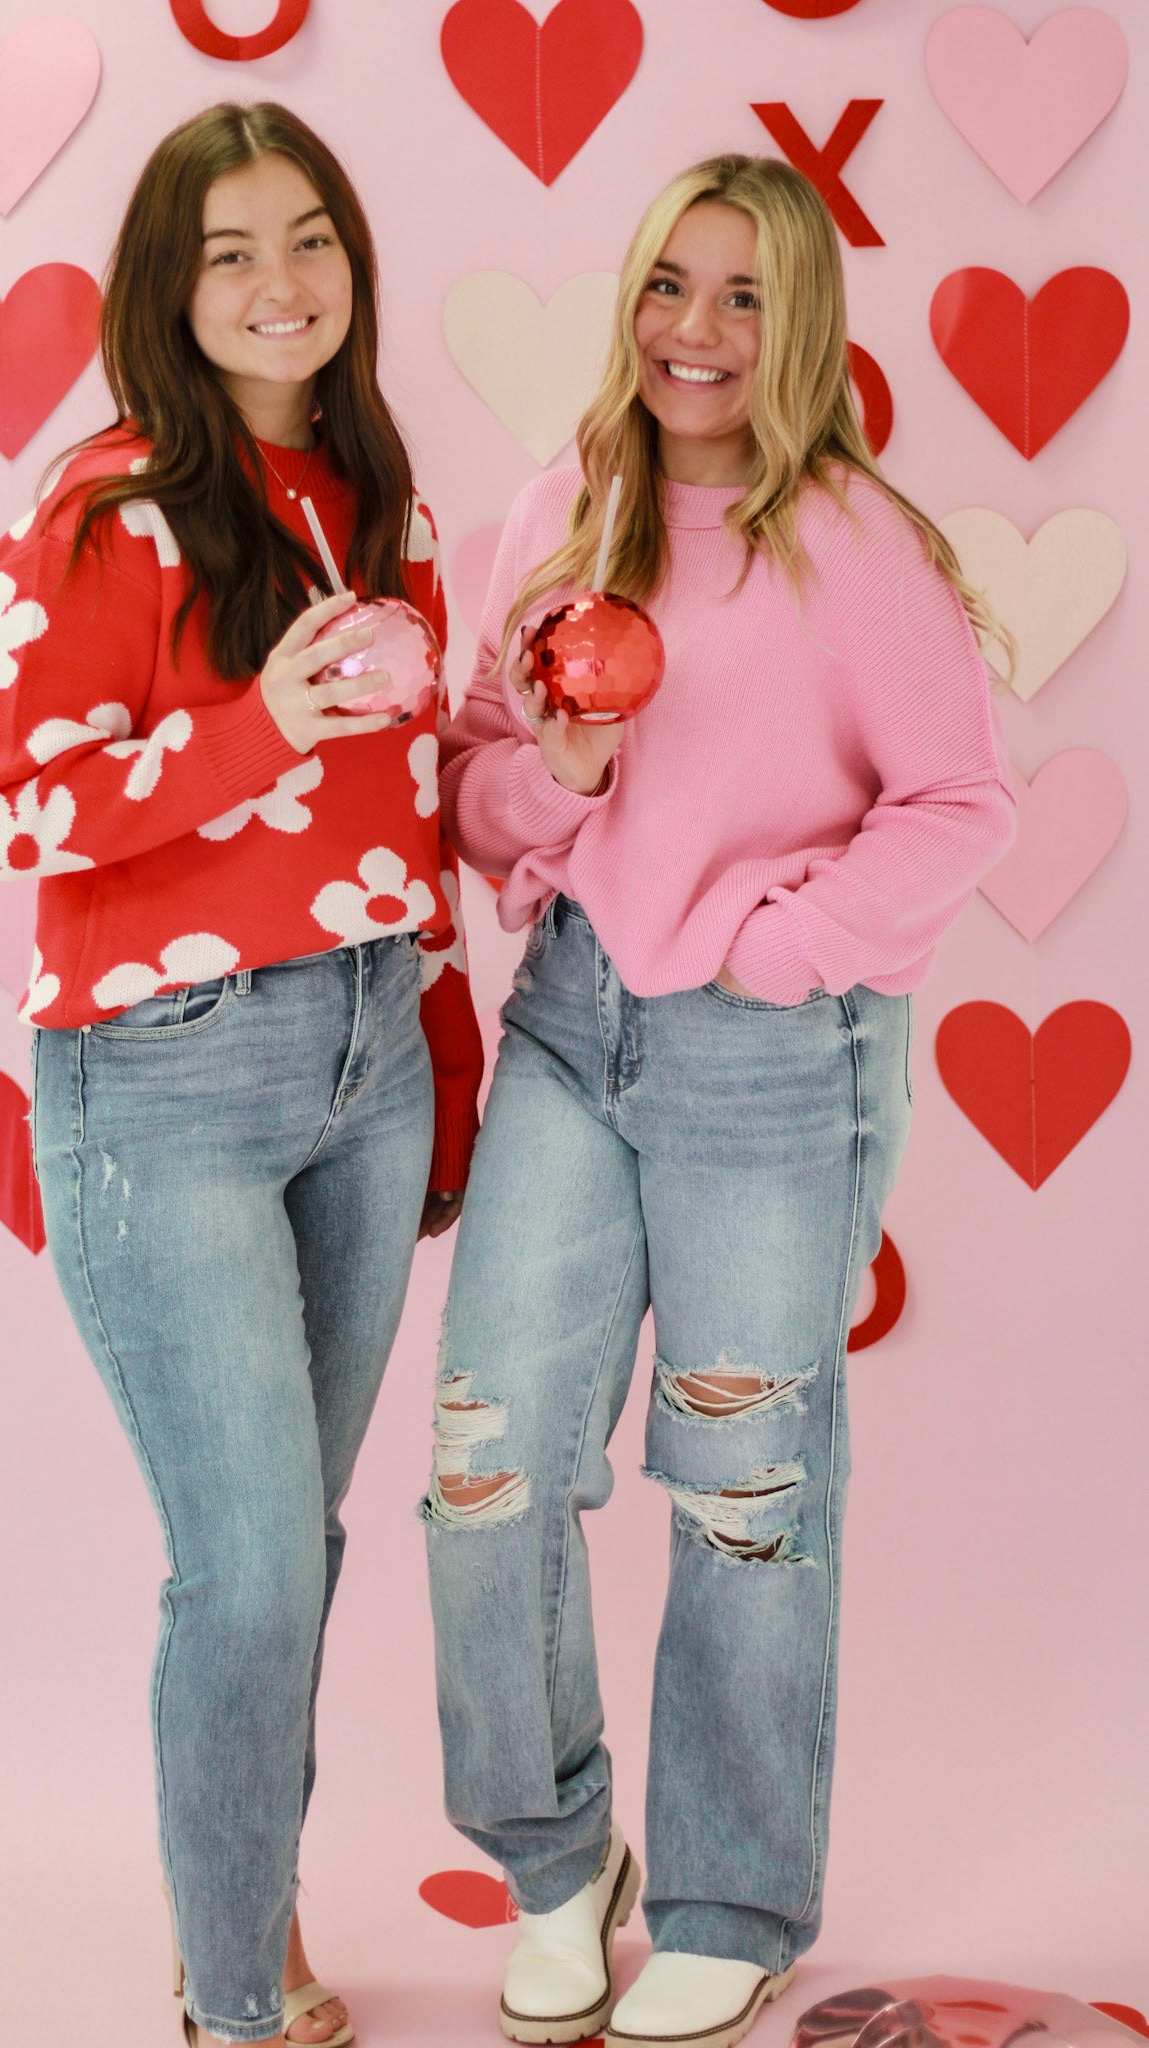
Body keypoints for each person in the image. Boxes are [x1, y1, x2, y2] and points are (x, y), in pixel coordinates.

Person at [423, 154, 1015, 2048]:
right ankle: (553, 1861)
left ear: (802, 326)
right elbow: (473, 792)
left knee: (743, 1488)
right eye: (670, 283)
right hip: (572, 1024)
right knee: (488, 1462)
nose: (695, 328)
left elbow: (959, 803)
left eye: (744, 294)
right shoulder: (563, 509)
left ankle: (728, 1897)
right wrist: (566, 773)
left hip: (768, 1054)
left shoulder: (852, 541)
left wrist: (783, 945)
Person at [0, 102, 482, 2047]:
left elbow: (402, 818)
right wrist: (254, 720)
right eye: (230, 252)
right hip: (162, 1082)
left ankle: (239, 1931)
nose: (281, 284)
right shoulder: (102, 511)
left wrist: (441, 1053)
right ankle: (237, 1999)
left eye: (310, 238)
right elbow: (15, 816)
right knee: (249, 1569)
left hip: (367, 1059)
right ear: (165, 291)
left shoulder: (377, 495)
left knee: (300, 1549)